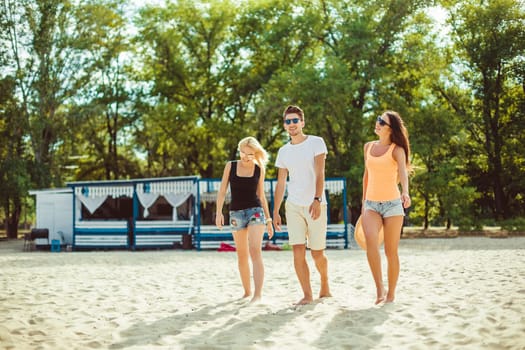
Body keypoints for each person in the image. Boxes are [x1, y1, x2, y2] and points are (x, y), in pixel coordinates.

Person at [273, 105, 331, 305]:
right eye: (288, 121)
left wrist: (317, 199)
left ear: (302, 122)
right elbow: (281, 183)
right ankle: (307, 295)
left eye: (295, 120)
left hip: (315, 205)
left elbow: (320, 173)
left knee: (317, 254)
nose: (291, 124)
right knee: (297, 250)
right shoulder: (283, 151)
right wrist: (275, 211)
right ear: (284, 125)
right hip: (293, 206)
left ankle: (324, 282)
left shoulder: (316, 143)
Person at [361, 110, 412, 304]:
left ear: (391, 129)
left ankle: (391, 293)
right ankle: (379, 288)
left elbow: (403, 174)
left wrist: (405, 192)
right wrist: (363, 203)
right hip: (371, 205)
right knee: (371, 243)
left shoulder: (397, 150)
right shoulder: (368, 147)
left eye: (382, 122)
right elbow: (366, 176)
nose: (378, 123)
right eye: (378, 119)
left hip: (392, 205)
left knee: (391, 252)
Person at [215, 136, 274, 303]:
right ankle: (247, 292)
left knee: (255, 251)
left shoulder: (258, 169)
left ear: (255, 154)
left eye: (249, 154)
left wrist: (268, 220)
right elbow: (222, 192)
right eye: (242, 153)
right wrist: (219, 213)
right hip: (236, 214)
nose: (245, 157)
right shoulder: (230, 166)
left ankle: (257, 295)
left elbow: (261, 196)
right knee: (242, 255)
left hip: (255, 211)